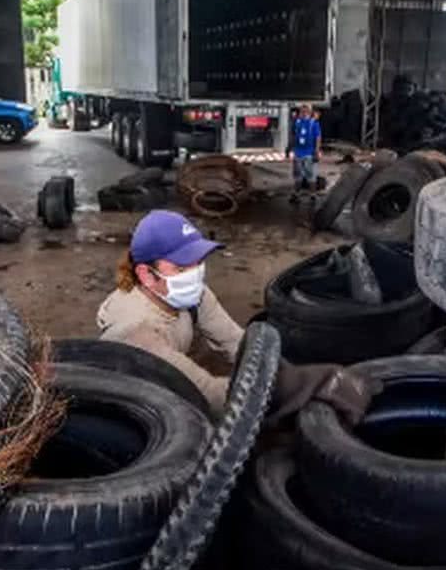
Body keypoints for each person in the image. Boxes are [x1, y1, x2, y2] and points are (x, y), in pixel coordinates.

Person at [97, 210, 372, 423]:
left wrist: (285, 371)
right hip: (142, 416)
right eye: (182, 266)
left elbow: (238, 344)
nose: (196, 273)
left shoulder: (192, 295)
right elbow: (211, 397)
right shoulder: (134, 332)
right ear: (146, 274)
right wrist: (311, 384)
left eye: (198, 261)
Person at [286, 103, 322, 203]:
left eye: (306, 111)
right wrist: (290, 148)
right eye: (302, 111)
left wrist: (316, 151)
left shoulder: (314, 123)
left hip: (309, 153)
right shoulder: (297, 122)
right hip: (298, 153)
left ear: (310, 112)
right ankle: (296, 194)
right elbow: (293, 135)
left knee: (311, 175)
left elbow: (318, 138)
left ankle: (313, 195)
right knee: (298, 175)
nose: (304, 113)